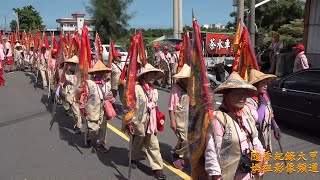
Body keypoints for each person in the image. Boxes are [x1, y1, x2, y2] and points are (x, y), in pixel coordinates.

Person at [205, 72, 265, 180]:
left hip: (248, 171)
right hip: (229, 174)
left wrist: (260, 160)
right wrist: (216, 176)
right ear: (226, 95)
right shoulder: (219, 118)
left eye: (243, 93)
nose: (242, 97)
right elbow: (212, 151)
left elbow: (254, 139)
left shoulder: (247, 112)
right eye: (237, 93)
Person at [126, 63, 166, 180]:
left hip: (151, 121)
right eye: (151, 75)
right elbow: (129, 106)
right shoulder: (136, 88)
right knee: (138, 141)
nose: (153, 77)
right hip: (138, 121)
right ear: (145, 76)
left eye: (155, 75)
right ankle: (133, 158)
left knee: (154, 144)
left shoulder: (154, 91)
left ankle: (158, 169)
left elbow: (155, 106)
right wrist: (129, 121)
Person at [80, 60, 114, 153]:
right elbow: (83, 96)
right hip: (92, 110)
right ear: (94, 73)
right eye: (98, 72)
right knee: (93, 129)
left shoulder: (107, 84)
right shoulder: (89, 83)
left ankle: (101, 144)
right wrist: (82, 106)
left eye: (102, 72)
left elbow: (110, 96)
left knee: (103, 128)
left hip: (103, 110)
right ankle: (89, 136)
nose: (100, 74)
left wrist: (111, 100)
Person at [246, 69, 281, 154]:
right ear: (255, 85)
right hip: (254, 138)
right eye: (263, 83)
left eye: (266, 83)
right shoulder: (248, 100)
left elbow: (269, 113)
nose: (266, 86)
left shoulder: (264, 96)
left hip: (265, 135)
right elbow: (257, 120)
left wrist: (275, 126)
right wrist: (262, 105)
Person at [168, 64, 190, 169]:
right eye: (187, 78)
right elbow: (171, 107)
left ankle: (180, 156)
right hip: (179, 118)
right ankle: (176, 154)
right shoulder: (176, 89)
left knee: (187, 139)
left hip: (187, 118)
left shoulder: (190, 88)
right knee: (184, 139)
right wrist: (172, 121)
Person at [60, 55, 82, 134]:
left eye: (74, 63)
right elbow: (65, 82)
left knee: (79, 111)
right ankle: (78, 125)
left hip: (79, 94)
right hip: (70, 94)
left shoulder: (80, 72)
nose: (72, 65)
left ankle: (79, 125)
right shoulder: (66, 72)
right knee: (76, 111)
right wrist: (62, 85)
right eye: (71, 63)